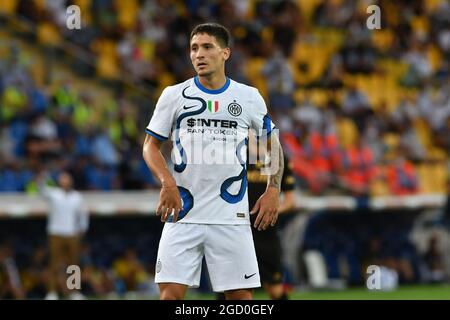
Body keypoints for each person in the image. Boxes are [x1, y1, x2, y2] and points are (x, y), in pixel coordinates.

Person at [142, 23, 284, 300]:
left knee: (240, 298)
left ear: (225, 53)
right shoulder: (173, 95)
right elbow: (150, 147)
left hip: (231, 218)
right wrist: (167, 182)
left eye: (207, 47)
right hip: (183, 214)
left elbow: (273, 144)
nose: (199, 54)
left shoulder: (248, 97)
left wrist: (274, 189)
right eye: (194, 48)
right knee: (170, 296)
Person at [37, 171, 89, 300]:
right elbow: (41, 189)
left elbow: (82, 214)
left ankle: (74, 292)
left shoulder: (77, 196)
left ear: (71, 182)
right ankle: (52, 292)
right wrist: (42, 177)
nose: (65, 182)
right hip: (56, 232)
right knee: (54, 263)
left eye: (67, 179)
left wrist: (82, 229)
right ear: (59, 182)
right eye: (63, 180)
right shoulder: (54, 194)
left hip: (72, 233)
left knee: (73, 264)